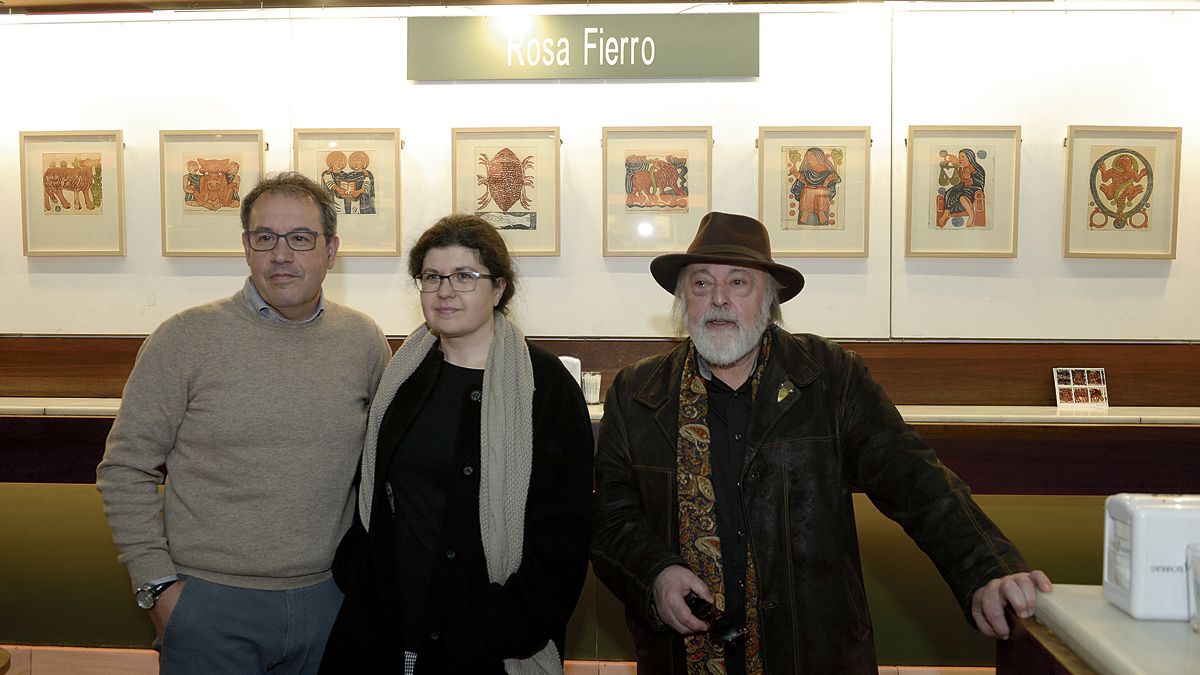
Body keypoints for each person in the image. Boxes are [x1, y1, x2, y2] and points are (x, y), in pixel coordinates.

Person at [589, 211, 1052, 673]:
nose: (719, 300)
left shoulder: (831, 377)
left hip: (813, 654)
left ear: (770, 301)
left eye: (739, 283)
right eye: (701, 284)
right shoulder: (638, 393)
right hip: (681, 658)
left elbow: (915, 479)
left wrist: (989, 568)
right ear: (682, 301)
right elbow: (610, 518)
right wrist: (656, 574)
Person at [96, 172, 392, 674]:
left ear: (331, 249)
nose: (281, 254)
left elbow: (383, 471)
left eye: (300, 238)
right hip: (208, 606)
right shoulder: (184, 339)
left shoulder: (364, 342)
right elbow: (125, 469)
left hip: (330, 602)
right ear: (246, 247)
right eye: (265, 238)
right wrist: (158, 588)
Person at [319, 215, 594, 673]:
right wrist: (357, 568)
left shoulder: (544, 388)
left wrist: (507, 622)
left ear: (499, 288)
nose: (446, 290)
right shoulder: (403, 375)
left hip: (485, 643)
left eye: (465, 276)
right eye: (432, 277)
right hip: (387, 625)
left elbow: (565, 530)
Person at [788, 147, 841, 227]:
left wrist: (826, 183)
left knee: (815, 191)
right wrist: (798, 175)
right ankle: (806, 212)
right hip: (807, 204)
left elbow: (831, 189)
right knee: (807, 190)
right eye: (807, 155)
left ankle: (820, 212)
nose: (808, 157)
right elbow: (801, 185)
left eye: (811, 155)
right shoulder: (806, 171)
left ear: (818, 156)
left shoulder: (828, 171)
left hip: (822, 201)